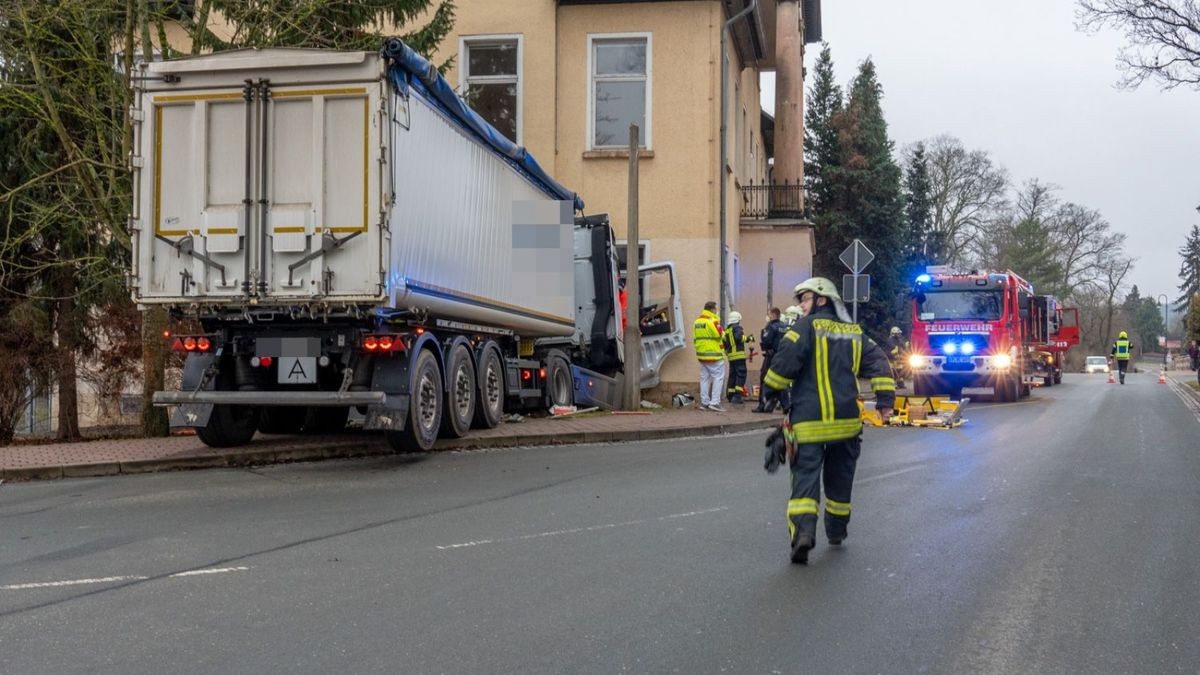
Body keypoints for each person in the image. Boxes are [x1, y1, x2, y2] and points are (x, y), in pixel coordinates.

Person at [763, 277, 895, 564]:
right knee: (840, 481)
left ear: (822, 300)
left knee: (805, 481)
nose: (801, 305)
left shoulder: (804, 328)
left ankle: (803, 534)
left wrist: (771, 392)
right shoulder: (854, 333)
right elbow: (879, 362)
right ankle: (836, 531)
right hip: (847, 424)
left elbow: (783, 363)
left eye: (806, 299)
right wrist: (885, 401)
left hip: (809, 423)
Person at [693, 300, 726, 411]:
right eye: (716, 309)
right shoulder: (712, 321)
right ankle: (715, 402)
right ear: (712, 309)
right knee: (718, 377)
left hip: (702, 355)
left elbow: (695, 338)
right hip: (714, 355)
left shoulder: (697, 322)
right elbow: (721, 334)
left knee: (704, 379)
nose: (717, 311)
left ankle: (704, 403)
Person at [753, 308, 786, 413]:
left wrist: (763, 333)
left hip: (770, 357)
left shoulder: (771, 326)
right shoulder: (784, 326)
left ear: (772, 315)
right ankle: (785, 404)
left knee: (764, 379)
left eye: (769, 314)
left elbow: (766, 340)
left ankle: (762, 405)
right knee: (779, 380)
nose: (768, 316)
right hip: (781, 357)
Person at [723, 311, 750, 404]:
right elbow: (738, 337)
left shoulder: (727, 330)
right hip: (738, 355)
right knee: (741, 375)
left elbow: (724, 342)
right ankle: (737, 396)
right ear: (738, 319)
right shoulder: (737, 328)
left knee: (732, 376)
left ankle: (730, 395)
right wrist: (748, 338)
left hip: (731, 357)